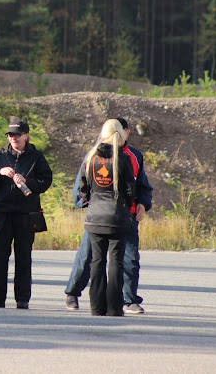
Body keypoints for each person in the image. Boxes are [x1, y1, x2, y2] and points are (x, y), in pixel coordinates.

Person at [65, 117, 153, 314]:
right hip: (108, 215)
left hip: (121, 217)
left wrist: (142, 203)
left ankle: (129, 300)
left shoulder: (135, 156)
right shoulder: (93, 155)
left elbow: (142, 186)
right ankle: (73, 293)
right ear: (121, 133)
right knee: (88, 257)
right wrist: (90, 204)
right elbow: (81, 187)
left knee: (129, 260)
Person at [0, 117, 52, 309]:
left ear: (26, 136)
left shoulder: (36, 157)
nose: (13, 138)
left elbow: (46, 182)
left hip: (25, 215)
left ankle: (22, 299)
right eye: (11, 135)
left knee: (23, 259)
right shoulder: (0, 155)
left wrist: (27, 181)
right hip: (1, 214)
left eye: (17, 135)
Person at [78, 119, 135, 316]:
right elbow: (130, 189)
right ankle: (114, 307)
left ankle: (96, 307)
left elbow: (82, 187)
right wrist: (126, 206)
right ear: (119, 134)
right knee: (116, 261)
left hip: (94, 217)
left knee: (97, 261)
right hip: (116, 217)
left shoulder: (91, 157)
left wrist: (92, 202)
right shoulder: (123, 159)